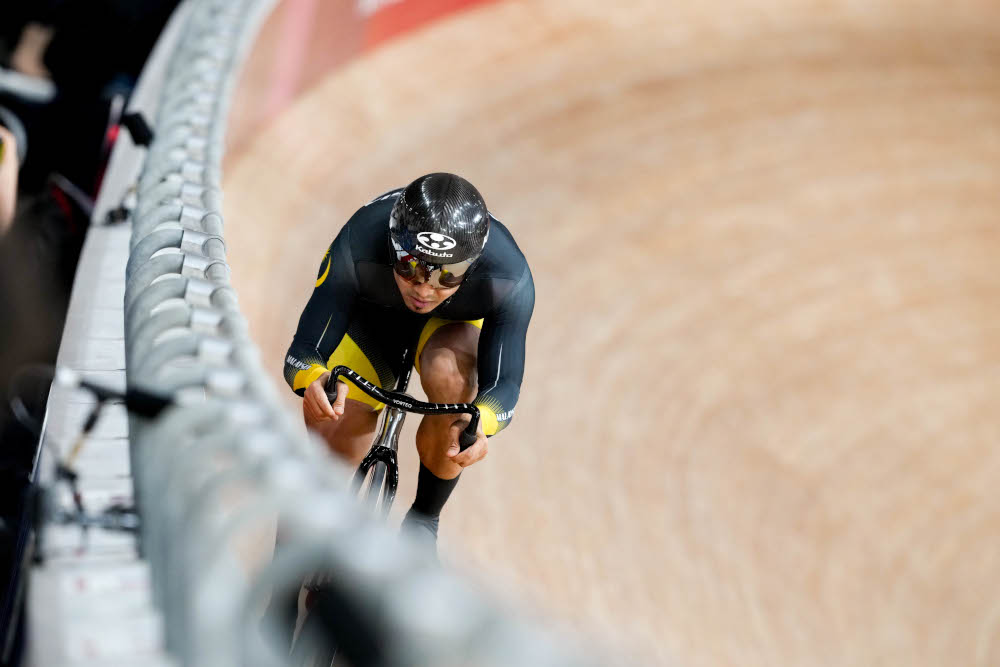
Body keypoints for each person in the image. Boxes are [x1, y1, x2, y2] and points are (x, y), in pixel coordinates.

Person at [283, 173, 534, 544]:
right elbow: (303, 352)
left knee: (458, 390)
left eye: (447, 277)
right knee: (334, 431)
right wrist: (313, 379)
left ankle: (423, 520)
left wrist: (483, 422)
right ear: (391, 246)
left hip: (450, 323)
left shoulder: (509, 275)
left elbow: (504, 384)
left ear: (474, 265)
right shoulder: (359, 240)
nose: (424, 290)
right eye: (410, 268)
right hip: (373, 316)